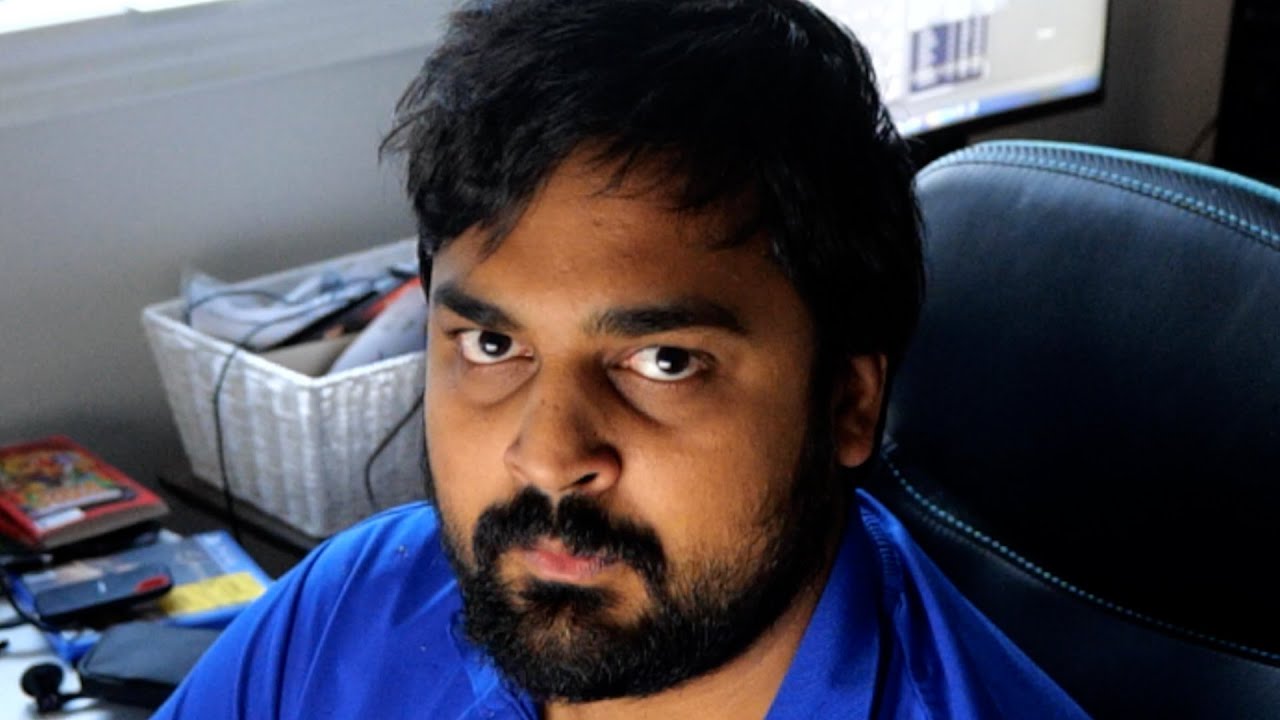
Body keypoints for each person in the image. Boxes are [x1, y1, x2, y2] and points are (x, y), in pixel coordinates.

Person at [154, 1, 1088, 718]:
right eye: (492, 345)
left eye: (664, 361)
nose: (548, 456)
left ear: (846, 402)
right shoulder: (354, 609)